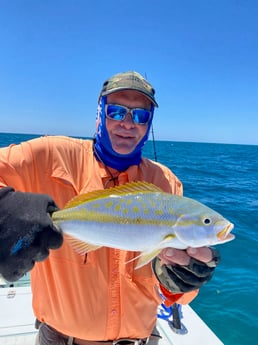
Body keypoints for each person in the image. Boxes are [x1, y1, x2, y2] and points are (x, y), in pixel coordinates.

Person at [0, 71, 220, 345]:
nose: (128, 123)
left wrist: (180, 283)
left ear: (149, 124)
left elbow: (171, 293)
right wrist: (4, 205)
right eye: (116, 111)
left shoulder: (167, 184)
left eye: (140, 115)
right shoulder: (47, 156)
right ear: (99, 114)